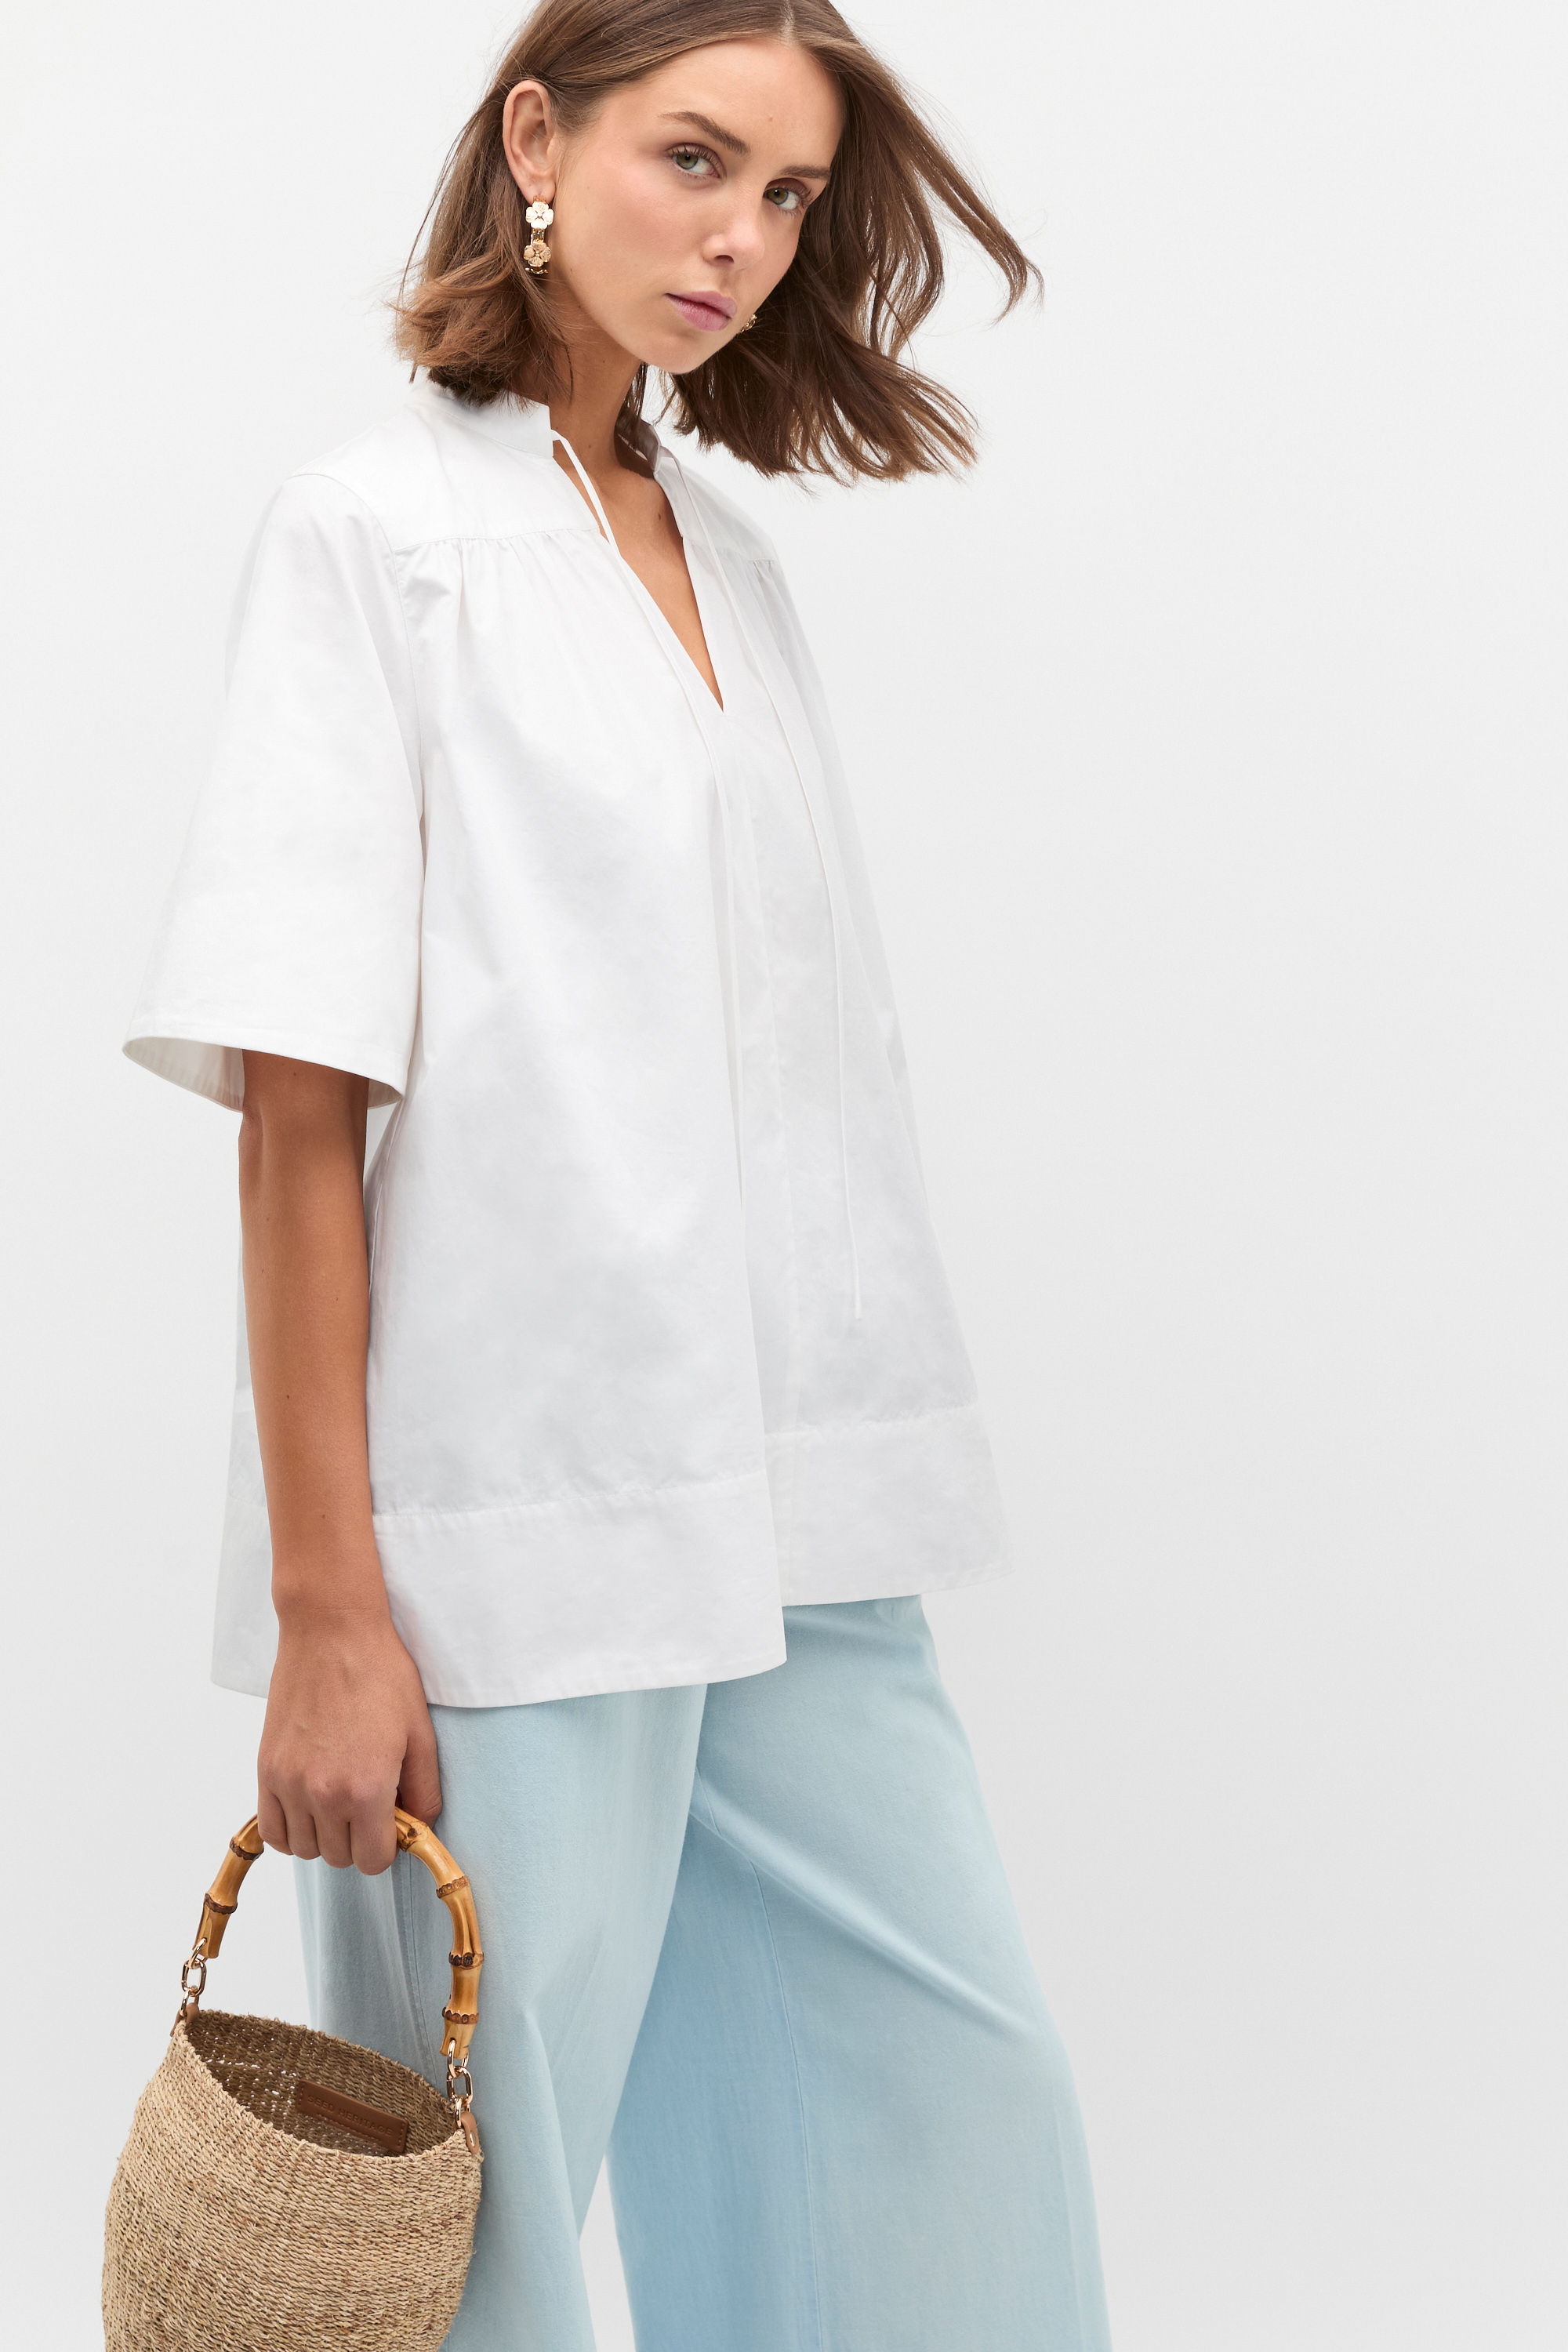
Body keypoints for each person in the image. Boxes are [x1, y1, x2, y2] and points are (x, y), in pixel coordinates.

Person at [125, 3, 1113, 2344]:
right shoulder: (376, 537)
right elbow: (298, 1107)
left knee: (942, 2111)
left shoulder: (726, 564)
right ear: (537, 140)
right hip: (515, 1527)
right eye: (697, 159)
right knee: (471, 2213)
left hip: (798, 1504)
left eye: (788, 196)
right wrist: (332, 1613)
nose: (742, 237)